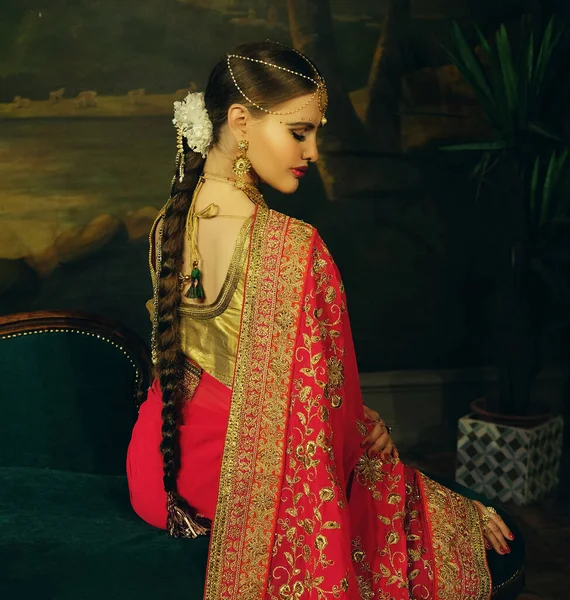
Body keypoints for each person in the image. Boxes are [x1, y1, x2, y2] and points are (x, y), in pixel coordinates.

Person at [126, 41, 524, 599]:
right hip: (233, 487)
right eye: (299, 131)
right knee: (404, 495)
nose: (313, 150)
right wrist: (367, 432)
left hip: (155, 471)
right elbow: (317, 412)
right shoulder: (291, 245)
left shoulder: (169, 221)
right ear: (240, 122)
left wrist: (355, 423)